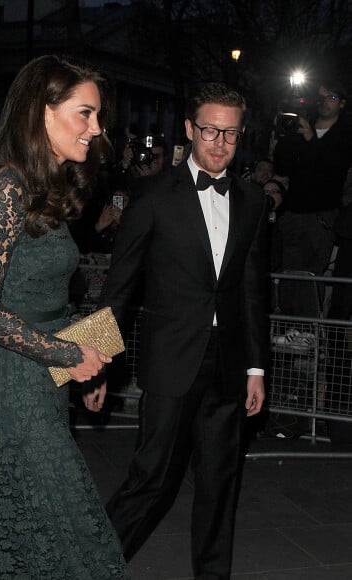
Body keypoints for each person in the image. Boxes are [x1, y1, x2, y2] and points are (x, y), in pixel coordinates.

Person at [0, 54, 129, 579]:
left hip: (47, 382)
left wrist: (92, 359)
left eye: (97, 116)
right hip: (16, 387)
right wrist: (68, 353)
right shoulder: (5, 189)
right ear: (43, 112)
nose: (96, 128)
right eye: (85, 113)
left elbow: (49, 297)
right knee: (72, 531)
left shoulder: (43, 192)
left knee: (31, 529)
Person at [99, 83, 268, 578]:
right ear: (190, 129)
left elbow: (253, 292)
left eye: (231, 134)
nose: (219, 142)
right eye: (210, 130)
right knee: (150, 480)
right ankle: (89, 564)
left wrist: (256, 368)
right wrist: (93, 362)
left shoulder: (254, 200)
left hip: (230, 365)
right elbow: (119, 286)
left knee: (221, 483)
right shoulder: (153, 196)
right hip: (171, 361)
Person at [273, 80, 352, 275]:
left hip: (321, 216)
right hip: (292, 213)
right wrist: (283, 135)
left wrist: (310, 137)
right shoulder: (300, 127)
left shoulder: (345, 134)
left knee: (312, 276)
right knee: (286, 273)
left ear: (342, 103)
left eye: (332, 98)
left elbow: (331, 167)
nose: (325, 102)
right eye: (322, 97)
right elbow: (282, 166)